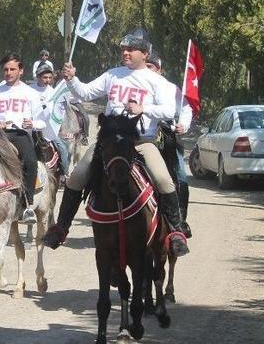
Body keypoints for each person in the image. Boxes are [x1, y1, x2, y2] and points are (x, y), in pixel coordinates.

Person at [41, 28, 190, 257]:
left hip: (140, 142)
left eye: (131, 49)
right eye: (123, 49)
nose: (125, 53)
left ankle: (176, 233)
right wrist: (72, 79)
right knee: (77, 177)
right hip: (109, 142)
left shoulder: (156, 81)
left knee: (164, 180)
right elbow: (85, 93)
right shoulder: (113, 74)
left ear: (144, 53)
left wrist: (143, 109)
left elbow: (170, 109)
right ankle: (61, 228)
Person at [0, 53, 43, 224]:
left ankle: (27, 204)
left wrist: (32, 123)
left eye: (12, 69)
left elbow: (42, 121)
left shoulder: (31, 93)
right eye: (5, 69)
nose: (8, 72)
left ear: (21, 70)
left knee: (30, 161)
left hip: (20, 134)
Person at [146, 52, 193, 237]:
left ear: (160, 70)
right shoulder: (134, 83)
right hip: (139, 137)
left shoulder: (170, 88)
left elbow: (186, 108)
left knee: (181, 178)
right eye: (146, 66)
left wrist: (183, 124)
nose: (148, 70)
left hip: (167, 137)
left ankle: (179, 222)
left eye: (151, 67)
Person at [31, 63, 70, 174]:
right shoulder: (29, 90)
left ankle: (64, 173)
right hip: (31, 126)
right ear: (38, 77)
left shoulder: (53, 92)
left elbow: (58, 111)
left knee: (62, 147)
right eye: (44, 77)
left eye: (49, 77)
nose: (47, 80)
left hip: (48, 127)